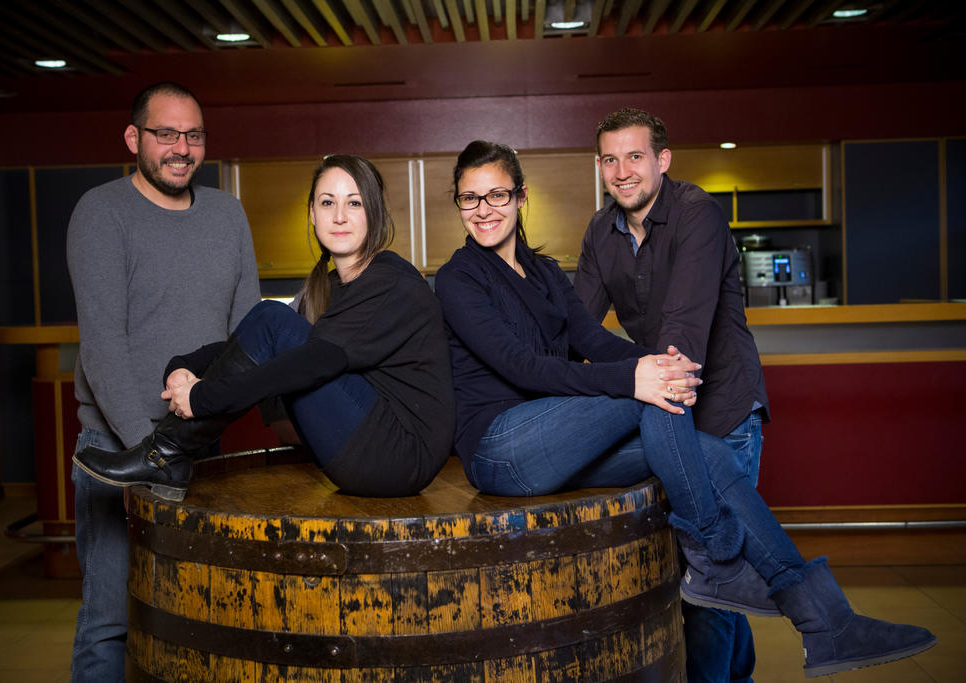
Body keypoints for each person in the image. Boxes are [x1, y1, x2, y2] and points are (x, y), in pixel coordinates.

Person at [434, 140, 936, 679]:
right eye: (469, 198)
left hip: (563, 439)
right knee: (647, 390)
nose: (484, 208)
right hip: (504, 449)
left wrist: (659, 366)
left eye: (497, 194)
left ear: (521, 197)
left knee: (706, 447)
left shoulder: (546, 271)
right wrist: (640, 377)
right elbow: (523, 368)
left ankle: (825, 621)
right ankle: (716, 555)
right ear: (458, 205)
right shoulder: (459, 277)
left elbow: (596, 343)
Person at [74, 153, 455, 502]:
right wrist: (186, 365)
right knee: (271, 319)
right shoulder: (328, 287)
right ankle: (168, 454)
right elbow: (262, 344)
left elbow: (310, 361)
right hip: (366, 449)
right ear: (312, 214)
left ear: (374, 212)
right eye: (327, 202)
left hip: (399, 455)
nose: (339, 216)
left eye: (354, 202)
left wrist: (204, 396)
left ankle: (164, 454)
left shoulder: (389, 281)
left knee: (273, 320)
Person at [66, 82, 261, 682]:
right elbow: (103, 348)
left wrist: (201, 432)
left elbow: (247, 334)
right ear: (134, 139)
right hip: (117, 450)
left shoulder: (228, 213)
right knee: (110, 620)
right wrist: (146, 456)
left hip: (202, 448)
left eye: (193, 134)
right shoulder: (101, 212)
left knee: (203, 618)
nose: (181, 147)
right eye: (166, 133)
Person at [573, 108, 769, 682]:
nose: (621, 171)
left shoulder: (697, 213)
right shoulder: (599, 232)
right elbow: (574, 328)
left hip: (723, 411)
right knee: (713, 568)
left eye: (635, 157)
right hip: (667, 412)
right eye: (610, 159)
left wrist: (642, 379)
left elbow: (683, 330)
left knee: (709, 579)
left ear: (662, 160)